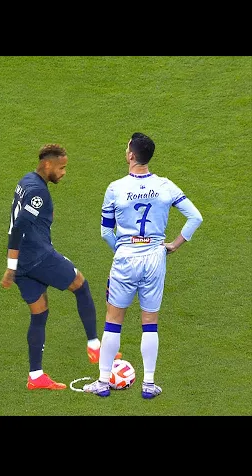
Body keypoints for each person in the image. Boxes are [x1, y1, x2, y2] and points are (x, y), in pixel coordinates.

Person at [83, 132, 202, 399]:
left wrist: (122, 250)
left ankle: (103, 382)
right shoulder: (165, 186)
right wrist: (174, 245)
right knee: (150, 323)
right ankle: (148, 384)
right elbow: (195, 217)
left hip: (126, 258)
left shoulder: (115, 188)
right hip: (155, 258)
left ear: (131, 155)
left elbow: (105, 232)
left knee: (113, 322)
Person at [1, 143, 114, 391]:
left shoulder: (26, 181)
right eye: (61, 168)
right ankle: (95, 346)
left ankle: (36, 376)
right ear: (47, 164)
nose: (63, 173)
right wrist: (10, 266)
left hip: (23, 264)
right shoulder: (38, 193)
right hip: (37, 257)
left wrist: (14, 266)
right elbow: (19, 227)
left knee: (39, 313)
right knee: (80, 285)